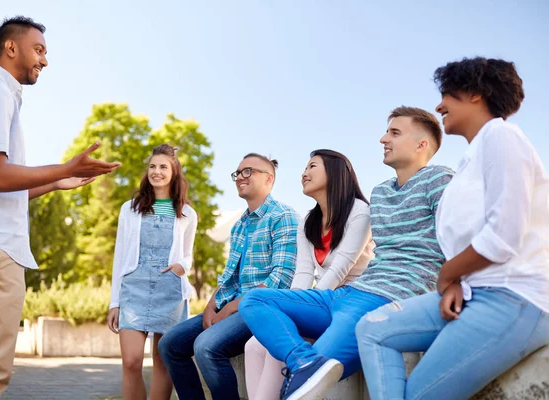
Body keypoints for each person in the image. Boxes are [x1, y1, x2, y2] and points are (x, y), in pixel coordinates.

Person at [356, 57, 549, 400]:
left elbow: (504, 234)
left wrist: (448, 275)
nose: (439, 104)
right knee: (373, 329)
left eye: (446, 94)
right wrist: (457, 281)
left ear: (475, 94)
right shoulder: (471, 158)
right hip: (473, 292)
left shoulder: (502, 136)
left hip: (515, 297)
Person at [0, 16, 120, 400]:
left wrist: (55, 183)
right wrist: (66, 166)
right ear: (11, 48)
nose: (45, 61)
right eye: (39, 50)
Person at [239, 106, 453, 400]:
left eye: (394, 132)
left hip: (386, 299)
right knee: (254, 300)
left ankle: (306, 364)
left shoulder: (440, 179)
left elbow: (458, 240)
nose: (383, 139)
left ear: (421, 144)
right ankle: (302, 358)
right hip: (343, 294)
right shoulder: (381, 192)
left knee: (307, 384)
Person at [158, 153, 300, 400]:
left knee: (206, 347)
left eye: (248, 171)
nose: (240, 177)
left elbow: (282, 278)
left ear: (269, 179)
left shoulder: (283, 216)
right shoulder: (239, 225)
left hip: (261, 308)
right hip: (231, 305)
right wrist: (210, 306)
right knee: (169, 344)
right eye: (238, 173)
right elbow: (229, 278)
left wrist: (233, 308)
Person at [244, 149, 374, 400]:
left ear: (337, 172)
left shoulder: (361, 212)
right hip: (321, 301)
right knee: (253, 345)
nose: (304, 173)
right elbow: (303, 273)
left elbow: (340, 269)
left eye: (312, 166)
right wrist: (291, 307)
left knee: (275, 351)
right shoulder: (308, 222)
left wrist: (301, 307)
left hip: (350, 302)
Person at [107, 144, 198, 400]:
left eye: (163, 167)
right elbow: (120, 255)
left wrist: (183, 267)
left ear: (174, 172)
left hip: (170, 291)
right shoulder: (130, 208)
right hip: (133, 289)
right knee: (131, 362)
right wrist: (115, 302)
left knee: (163, 363)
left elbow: (188, 254)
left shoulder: (187, 214)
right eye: (152, 167)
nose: (156, 172)